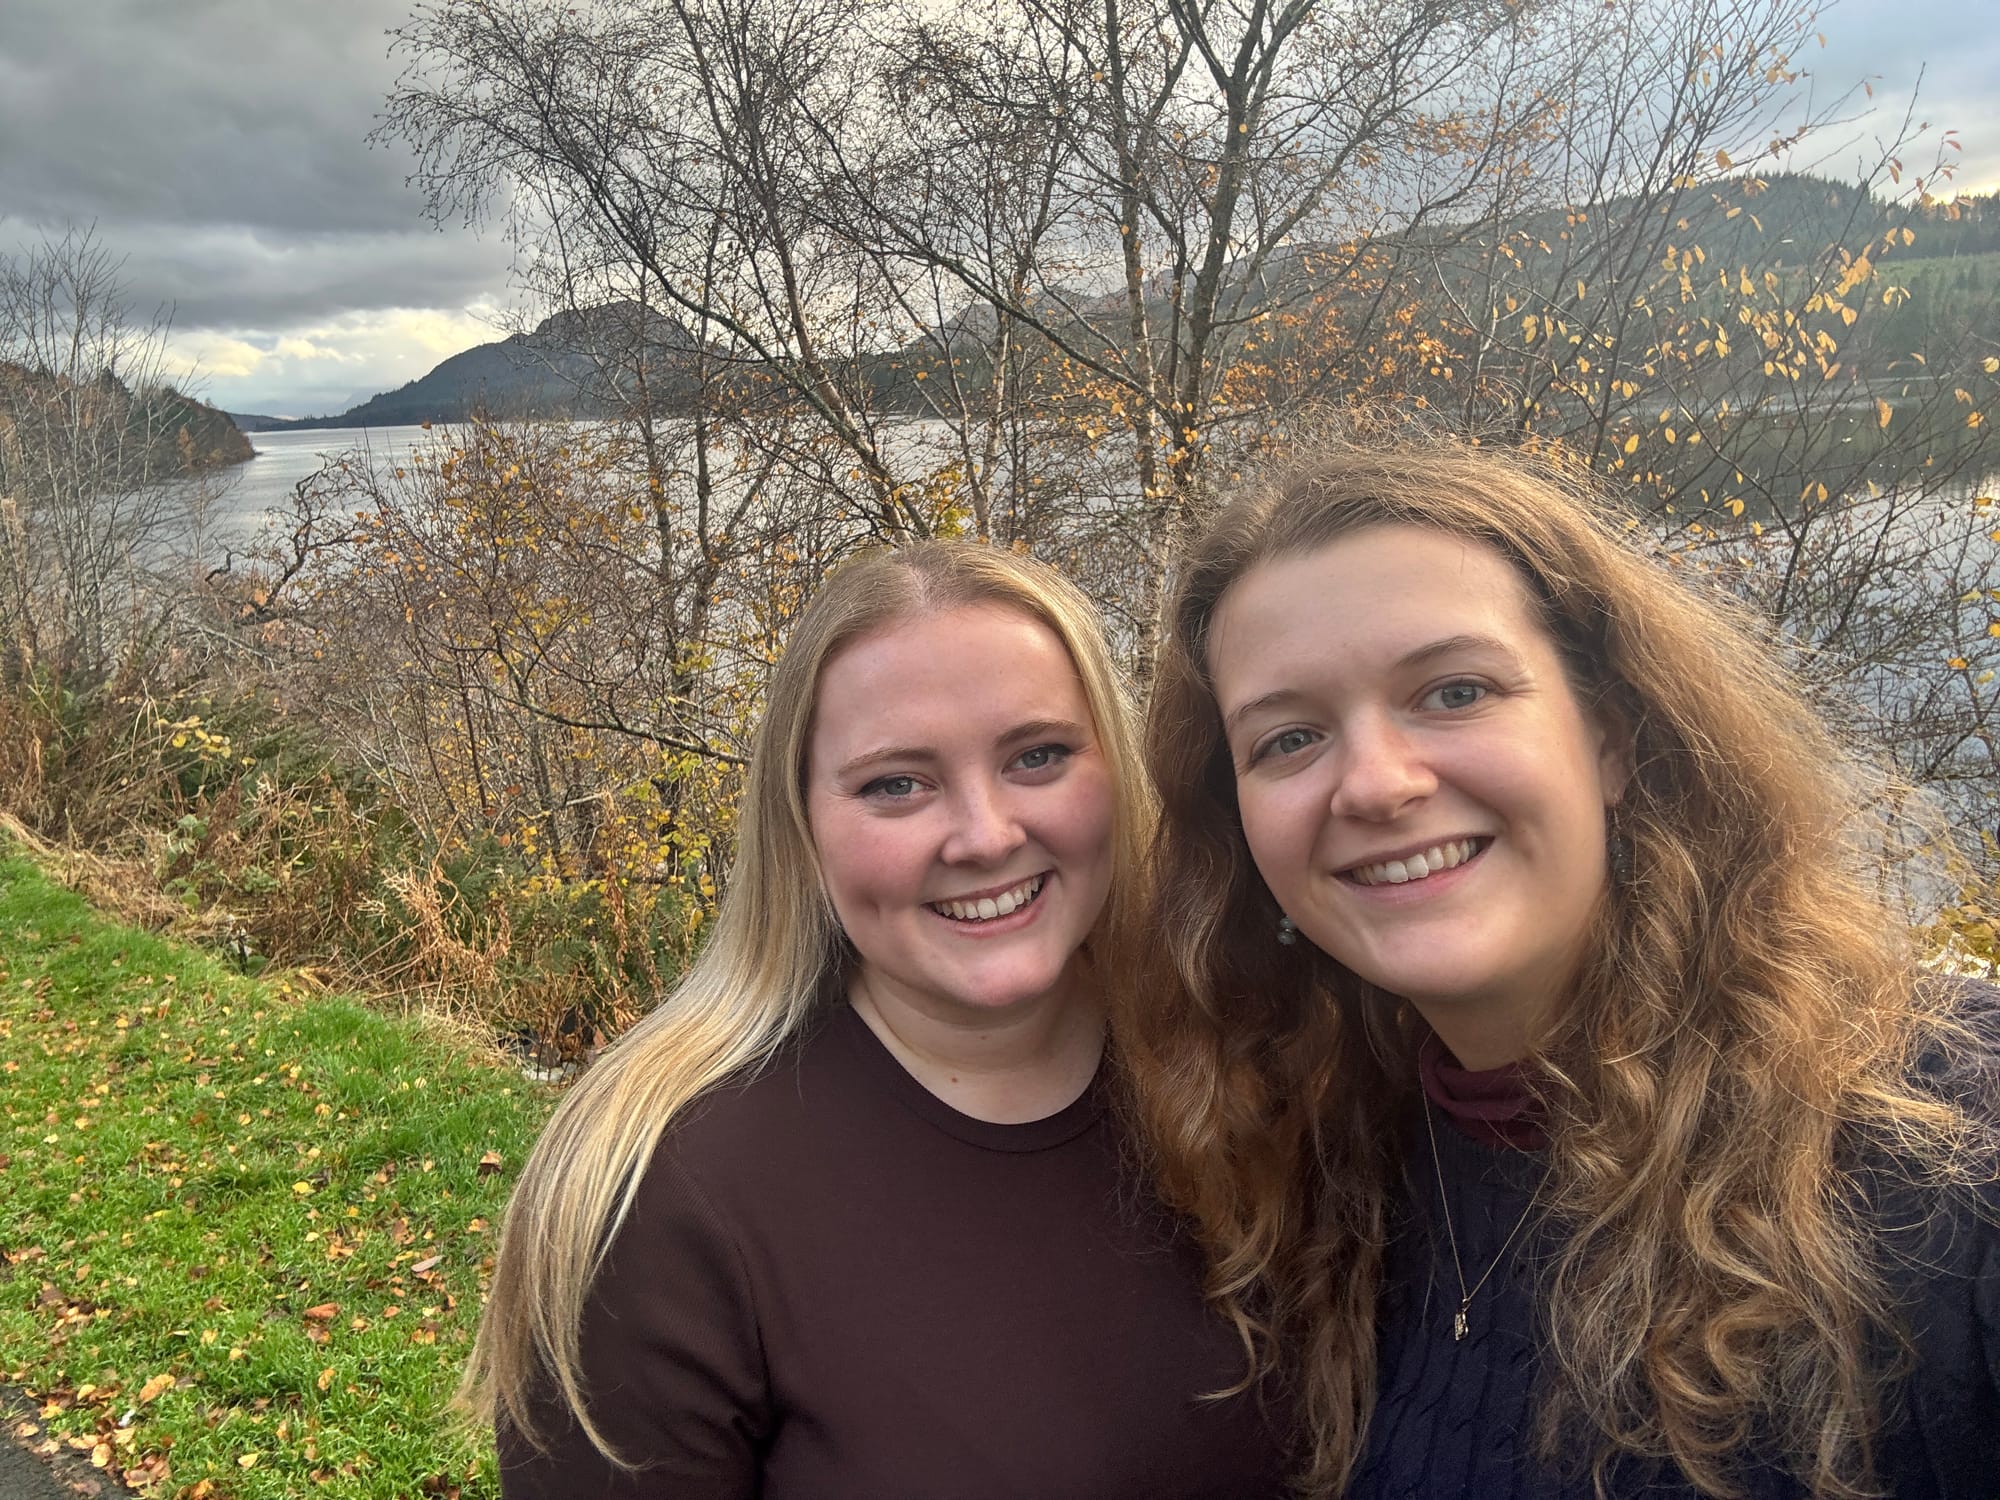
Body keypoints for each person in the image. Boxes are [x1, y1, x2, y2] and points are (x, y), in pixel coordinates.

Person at [1123, 432, 2000, 1499]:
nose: (1374, 784)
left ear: (1610, 738)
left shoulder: (1950, 1143)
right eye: (1286, 739)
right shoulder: (1329, 1184)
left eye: (1451, 691)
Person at [467, 542, 1289, 1499]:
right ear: (801, 823)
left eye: (1039, 755)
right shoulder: (659, 1197)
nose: (985, 835)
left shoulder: (1259, 1070)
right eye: (896, 783)